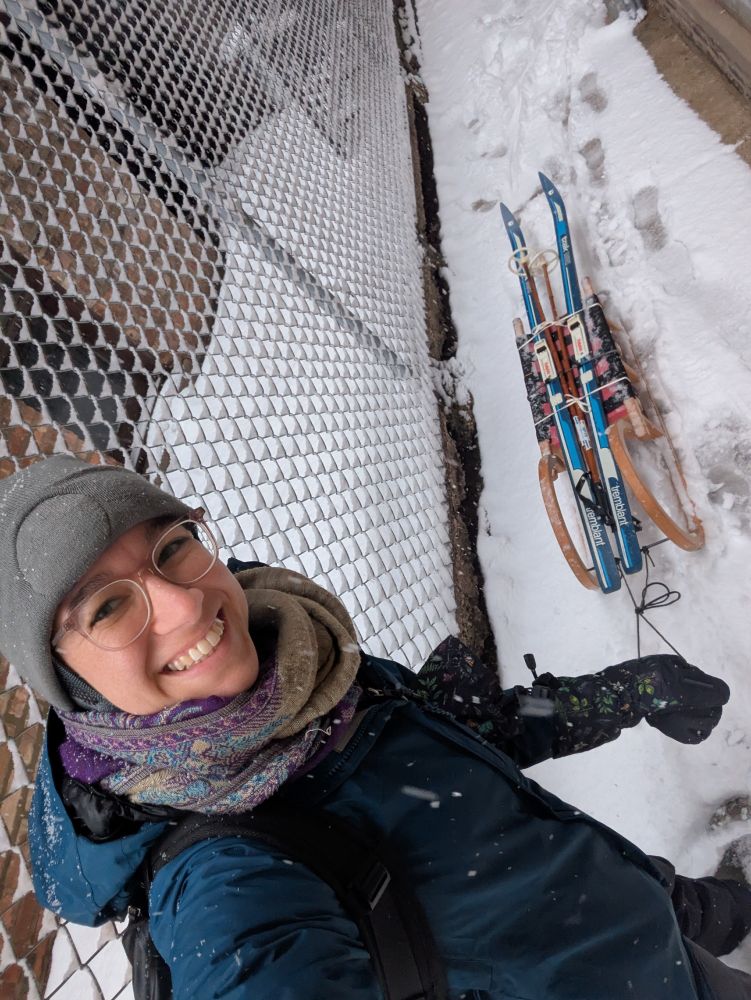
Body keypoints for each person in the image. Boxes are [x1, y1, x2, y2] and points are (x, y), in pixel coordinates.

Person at [1, 454, 749, 1000]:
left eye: (172, 547)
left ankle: (715, 911)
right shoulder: (224, 884)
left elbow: (470, 732)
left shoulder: (304, 667)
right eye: (108, 607)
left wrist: (621, 694)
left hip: (630, 910)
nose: (185, 604)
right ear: (68, 683)